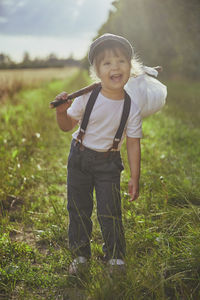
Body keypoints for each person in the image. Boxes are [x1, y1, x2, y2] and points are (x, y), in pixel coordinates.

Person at [54, 33, 166, 275]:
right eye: (107, 63)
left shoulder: (131, 107)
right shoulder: (87, 97)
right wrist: (62, 113)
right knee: (78, 207)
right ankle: (81, 256)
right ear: (96, 71)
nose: (115, 67)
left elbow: (133, 144)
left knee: (110, 210)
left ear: (131, 67)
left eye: (121, 61)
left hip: (109, 163)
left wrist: (135, 176)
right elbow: (66, 127)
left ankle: (115, 257)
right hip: (80, 159)